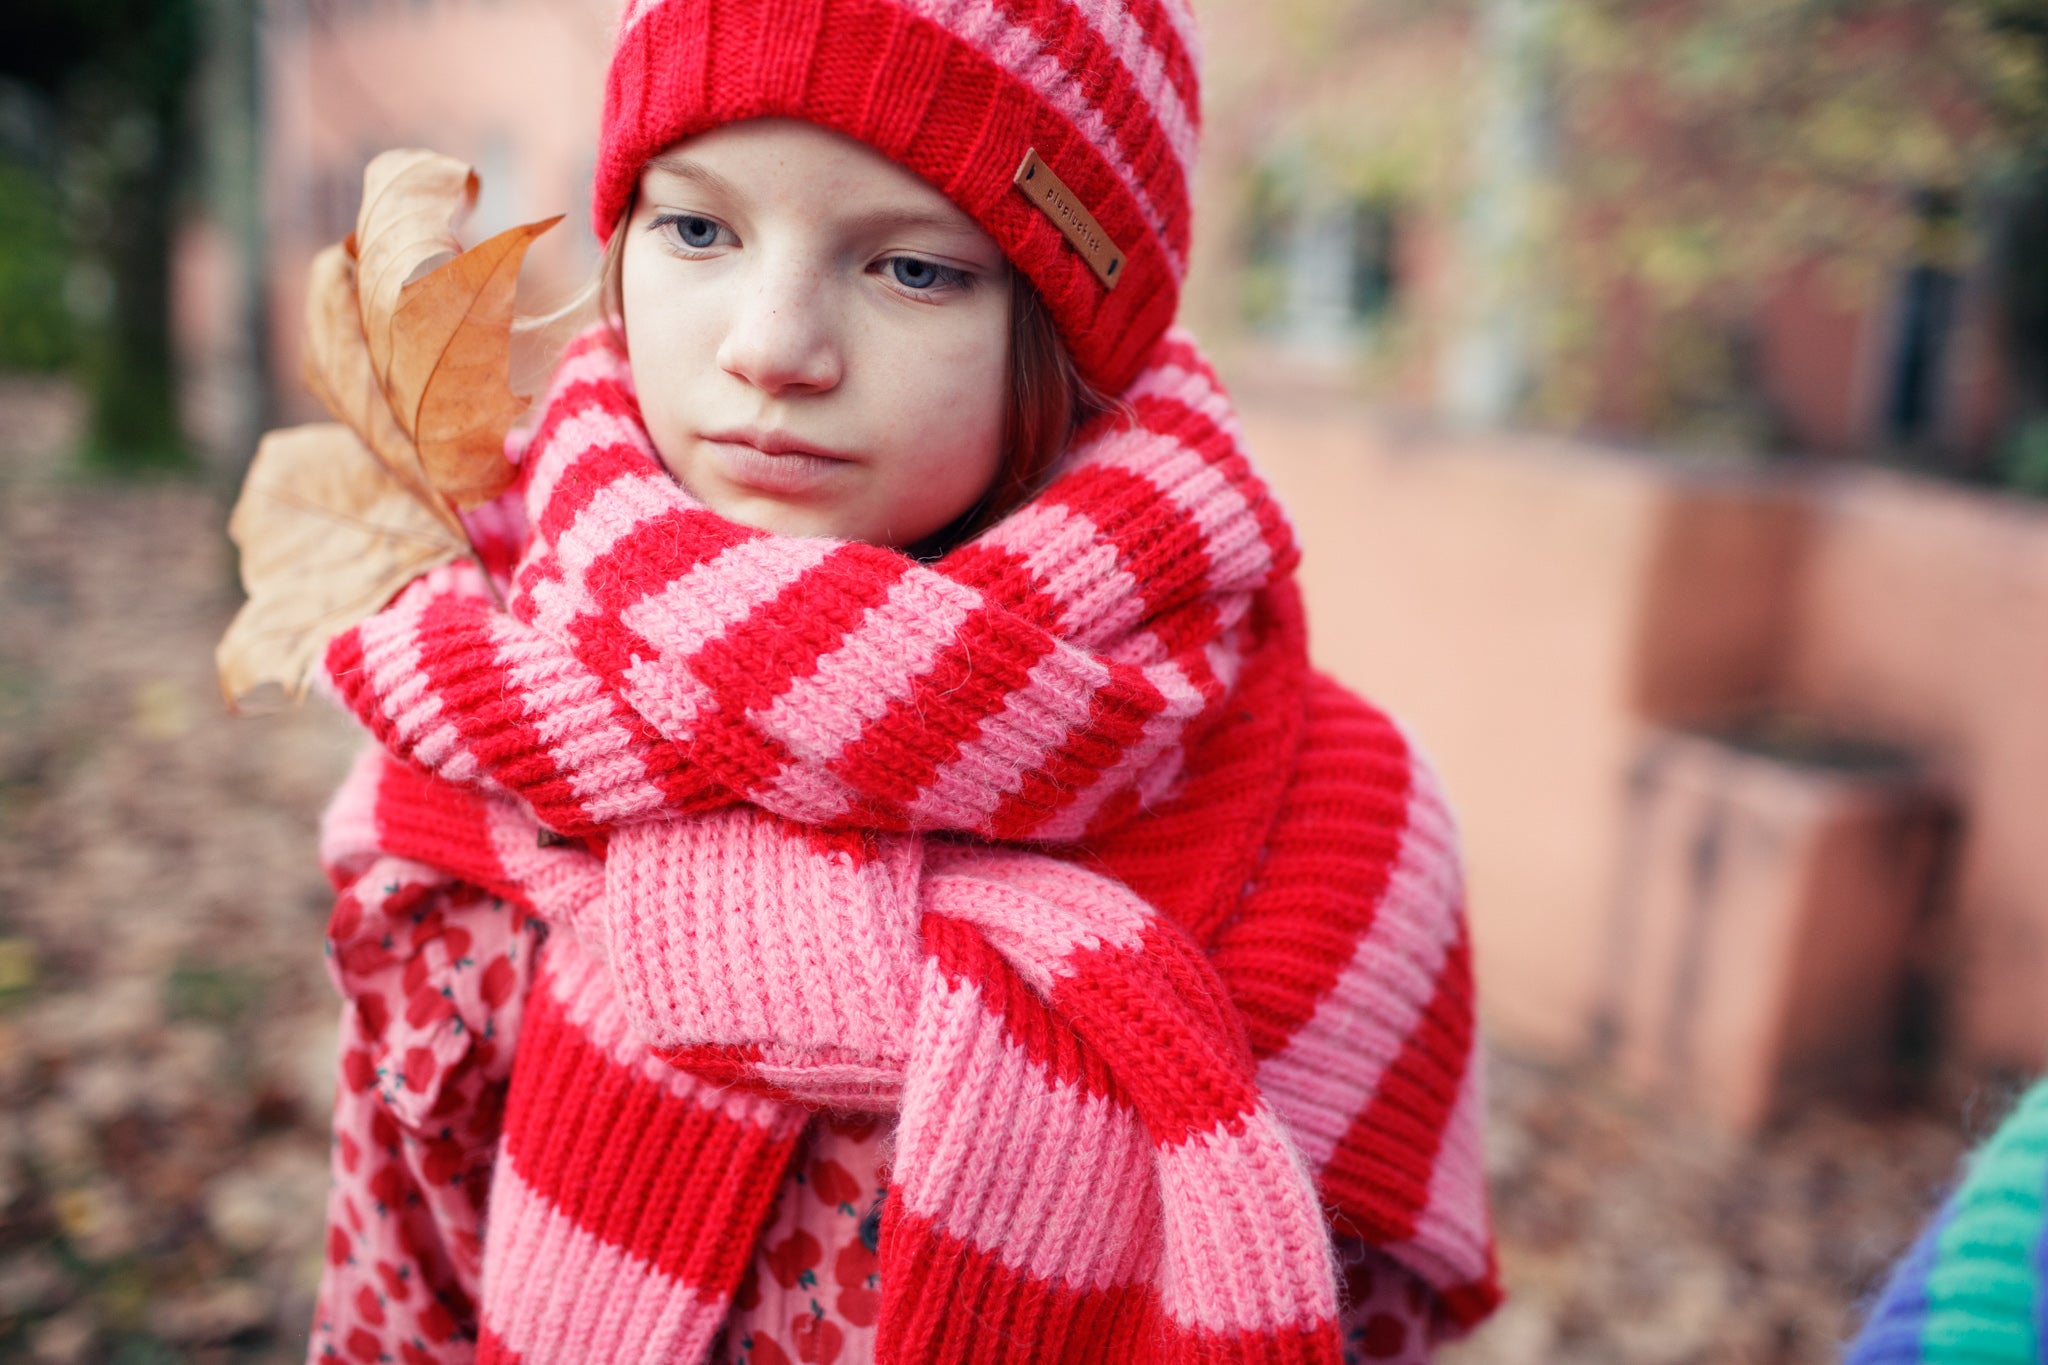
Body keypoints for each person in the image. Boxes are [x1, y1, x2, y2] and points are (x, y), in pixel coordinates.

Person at [301, 2, 1499, 1362]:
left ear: (1071, 330)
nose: (772, 346)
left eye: (914, 269)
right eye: (699, 229)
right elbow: (392, 1296)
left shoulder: (1342, 825)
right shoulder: (488, 732)